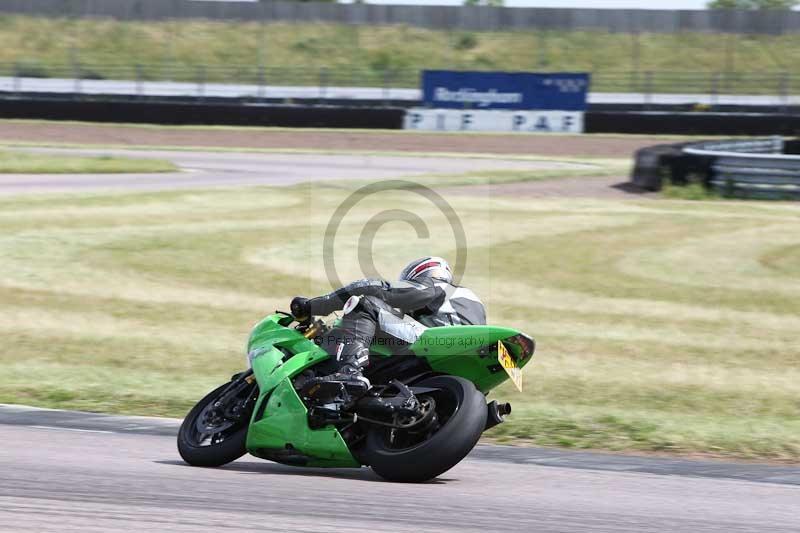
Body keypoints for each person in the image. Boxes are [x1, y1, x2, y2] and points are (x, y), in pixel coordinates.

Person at [290, 256, 486, 399]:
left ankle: (349, 371)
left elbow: (376, 288)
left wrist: (315, 305)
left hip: (438, 340)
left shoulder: (437, 285)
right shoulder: (472, 303)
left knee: (365, 303)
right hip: (466, 364)